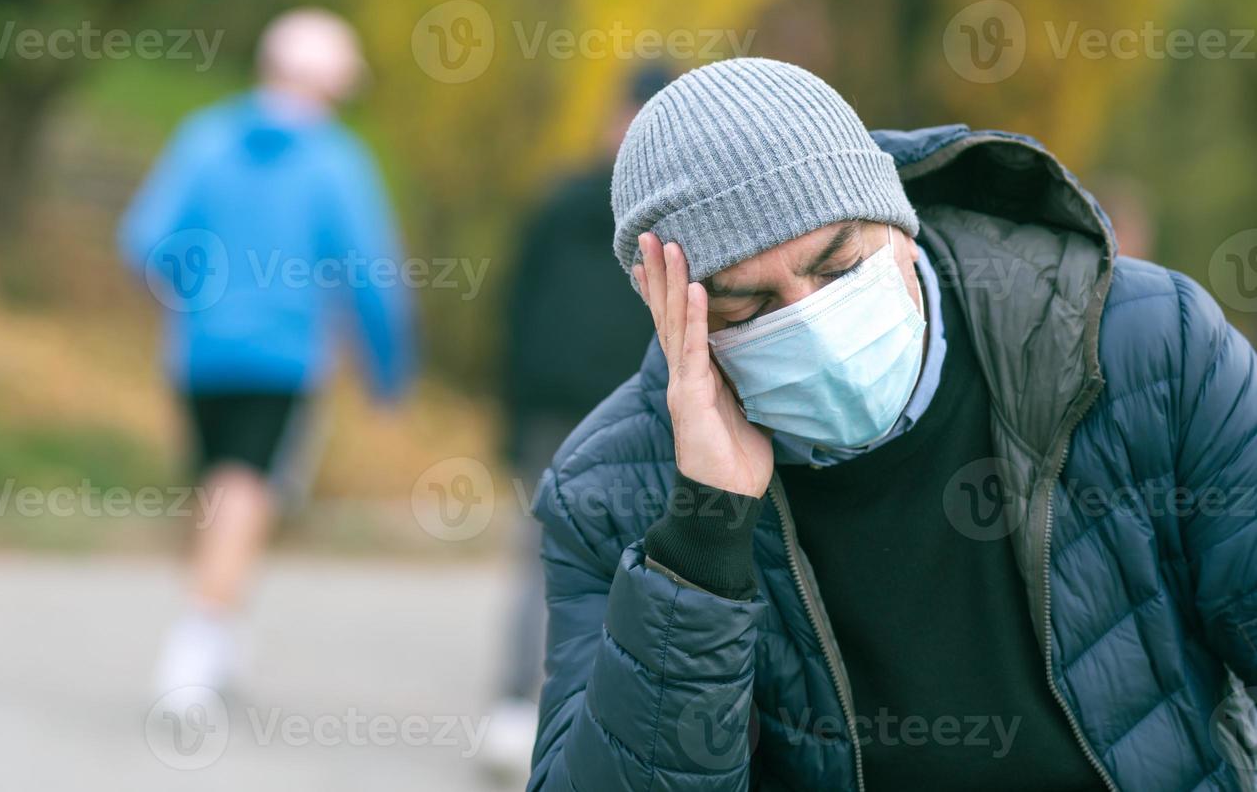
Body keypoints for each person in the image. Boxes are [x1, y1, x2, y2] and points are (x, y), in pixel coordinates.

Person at [529, 58, 1257, 791]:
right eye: (747, 311)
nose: (810, 321)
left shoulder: (1150, 349)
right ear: (675, 319)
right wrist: (703, 532)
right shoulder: (609, 492)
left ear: (897, 222)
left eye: (839, 264)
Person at [119, 9, 414, 701]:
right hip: (283, 359)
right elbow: (372, 278)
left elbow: (146, 240)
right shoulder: (336, 162)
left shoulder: (205, 139)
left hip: (199, 353)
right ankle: (197, 643)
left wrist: (199, 294)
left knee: (217, 491)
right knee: (246, 491)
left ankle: (217, 632)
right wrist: (389, 371)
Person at [479, 65, 670, 778]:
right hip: (565, 410)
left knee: (634, 564)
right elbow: (519, 316)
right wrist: (514, 411)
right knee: (546, 559)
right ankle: (515, 703)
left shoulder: (657, 220)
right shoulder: (563, 208)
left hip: (646, 409)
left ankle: (597, 714)